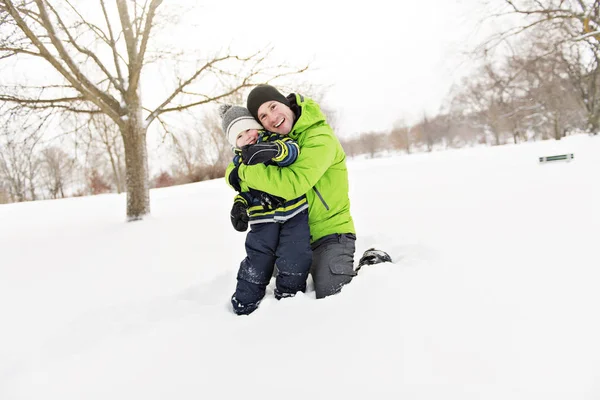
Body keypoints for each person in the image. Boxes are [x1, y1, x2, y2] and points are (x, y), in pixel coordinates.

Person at [227, 84, 391, 300]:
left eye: (274, 106)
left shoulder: (319, 137)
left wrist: (242, 173)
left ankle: (371, 263)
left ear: (285, 102)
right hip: (291, 236)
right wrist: (239, 191)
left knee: (333, 294)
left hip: (329, 233)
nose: (272, 118)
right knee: (276, 282)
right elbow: (237, 163)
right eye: (263, 116)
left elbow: (292, 185)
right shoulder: (270, 140)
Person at [220, 104, 312, 315]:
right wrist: (240, 205)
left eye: (248, 128)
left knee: (295, 253)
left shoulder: (276, 142)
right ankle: (245, 300)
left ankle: (290, 296)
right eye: (240, 136)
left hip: (294, 213)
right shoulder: (240, 162)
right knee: (257, 259)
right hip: (262, 221)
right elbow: (244, 190)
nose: (248, 137)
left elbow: (293, 153)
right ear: (235, 143)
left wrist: (273, 150)